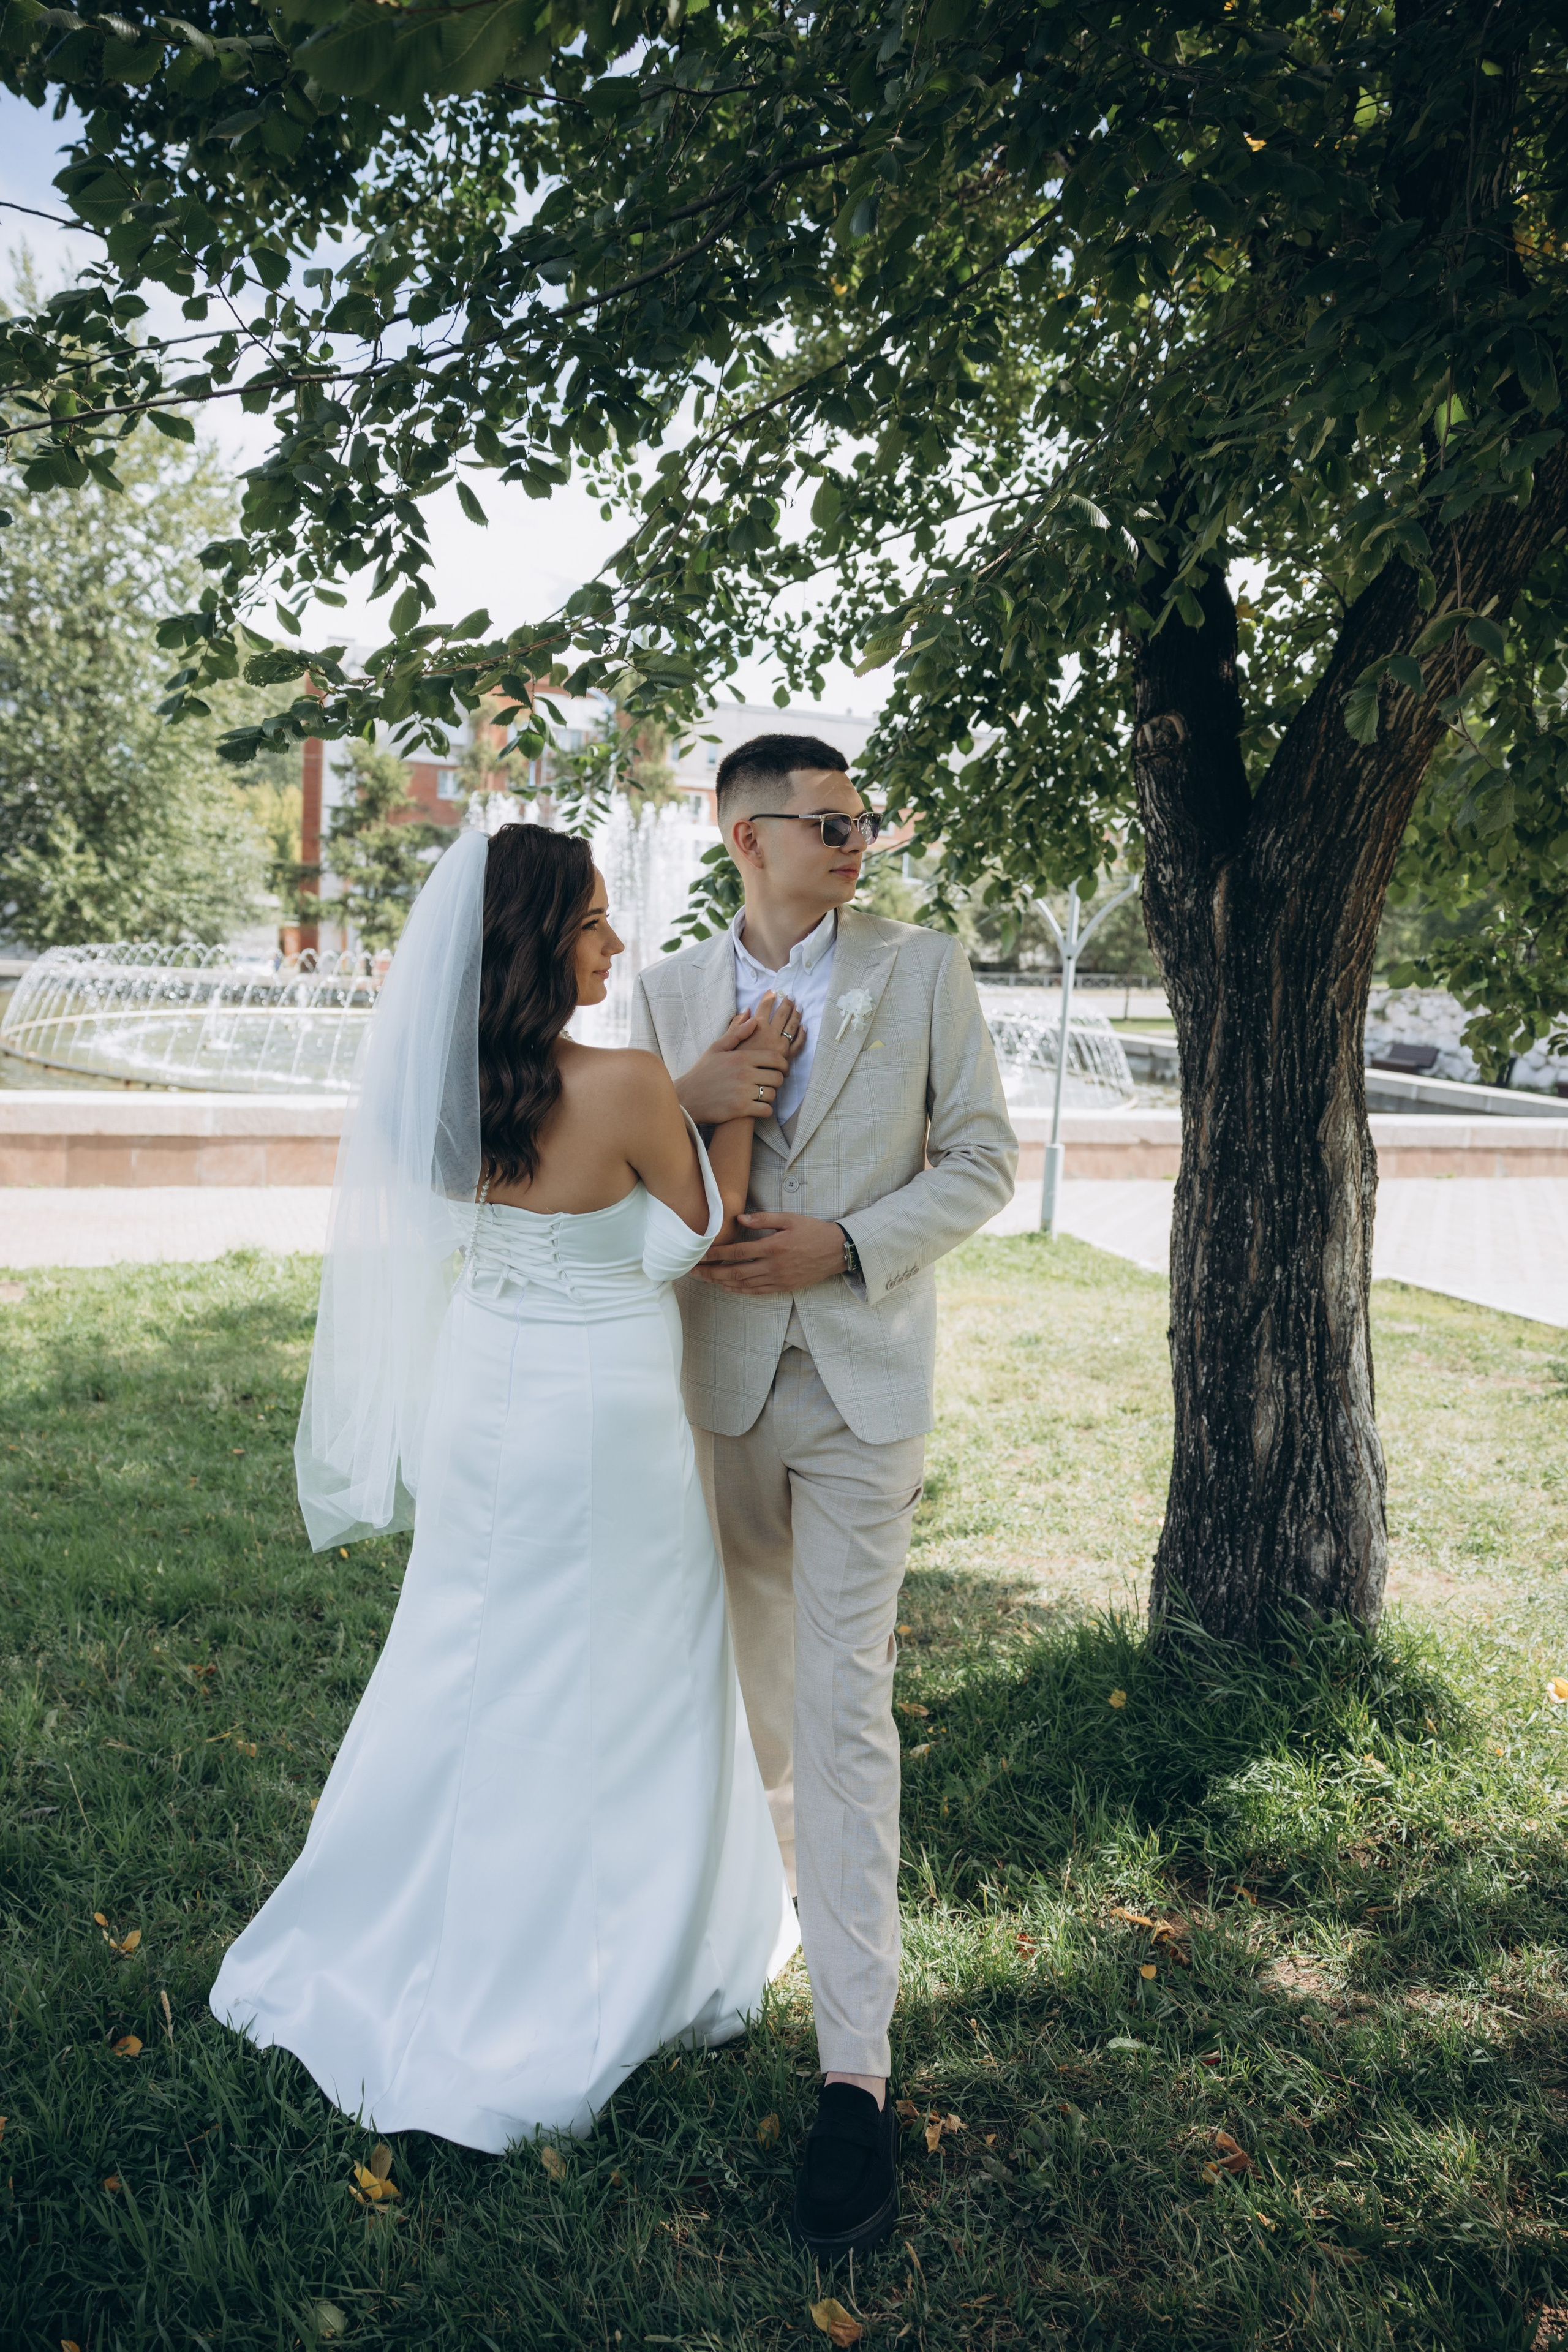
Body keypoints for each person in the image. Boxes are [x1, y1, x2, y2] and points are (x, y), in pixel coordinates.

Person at [210, 822, 799, 2152]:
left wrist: (687, 1090)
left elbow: (554, 1168)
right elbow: (699, 1240)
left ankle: (395, 1907)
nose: (612, 942)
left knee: (467, 1650)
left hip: (480, 1399)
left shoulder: (442, 1089)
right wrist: (739, 1104)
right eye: (593, 921)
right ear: (540, 942)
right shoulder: (636, 1084)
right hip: (600, 1417)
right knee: (625, 1669)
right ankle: (618, 1946)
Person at [629, 734, 1017, 2256]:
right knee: (741, 1701)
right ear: (744, 838)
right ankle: (730, 1943)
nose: (857, 838)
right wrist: (685, 1088)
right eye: (828, 820)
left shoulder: (924, 969)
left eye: (864, 821)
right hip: (705, 1392)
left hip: (862, 1385)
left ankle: (852, 2072)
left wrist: (841, 1244)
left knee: (844, 1701)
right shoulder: (661, 995)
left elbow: (983, 1161)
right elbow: (609, 1165)